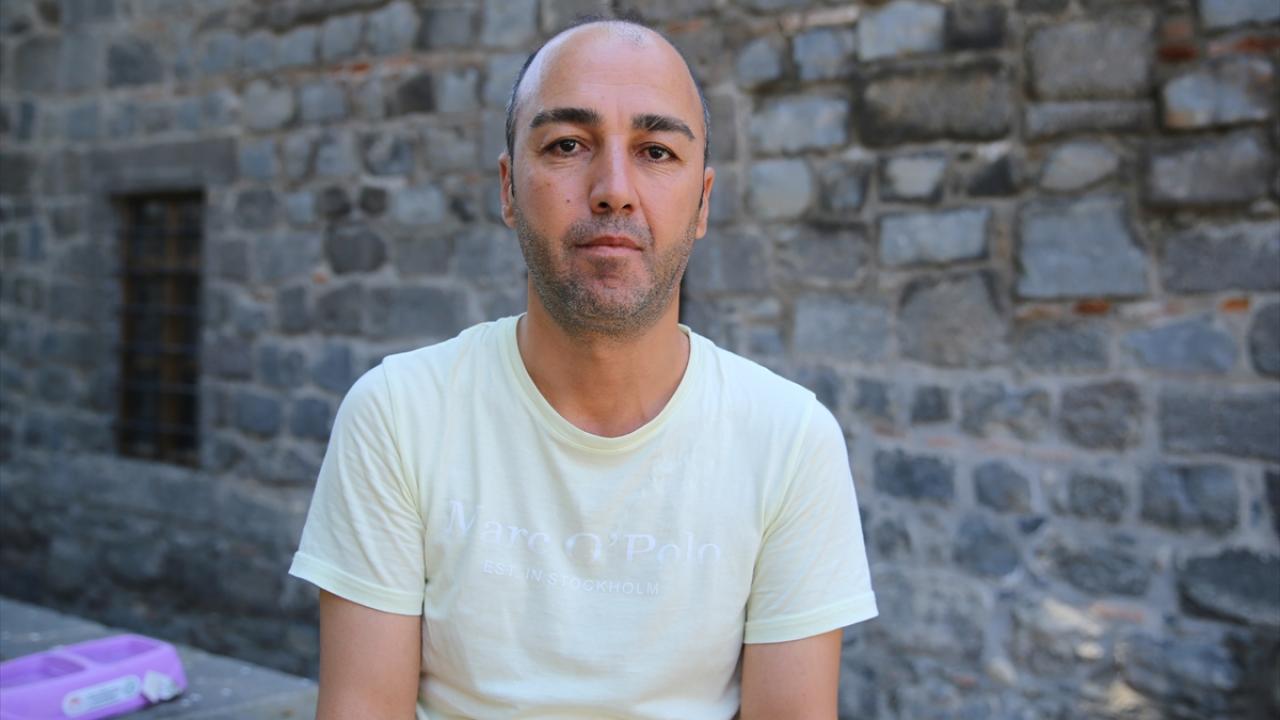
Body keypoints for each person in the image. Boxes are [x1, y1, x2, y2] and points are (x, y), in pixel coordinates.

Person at [288, 17, 877, 720]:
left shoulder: (789, 440)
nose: (614, 190)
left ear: (702, 203)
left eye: (656, 151)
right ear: (508, 189)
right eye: (567, 145)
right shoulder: (400, 414)